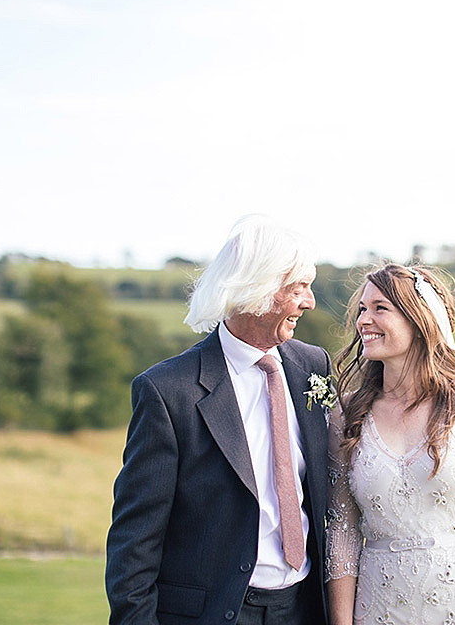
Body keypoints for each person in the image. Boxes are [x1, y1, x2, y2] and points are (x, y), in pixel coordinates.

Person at [106, 215, 333, 625]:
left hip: (304, 608)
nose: (309, 302)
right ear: (257, 287)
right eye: (297, 287)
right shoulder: (168, 390)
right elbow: (134, 540)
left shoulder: (312, 366)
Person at [325, 263, 455, 625]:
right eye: (361, 309)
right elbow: (342, 531)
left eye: (380, 308)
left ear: (418, 320)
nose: (363, 321)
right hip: (379, 609)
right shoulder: (347, 413)